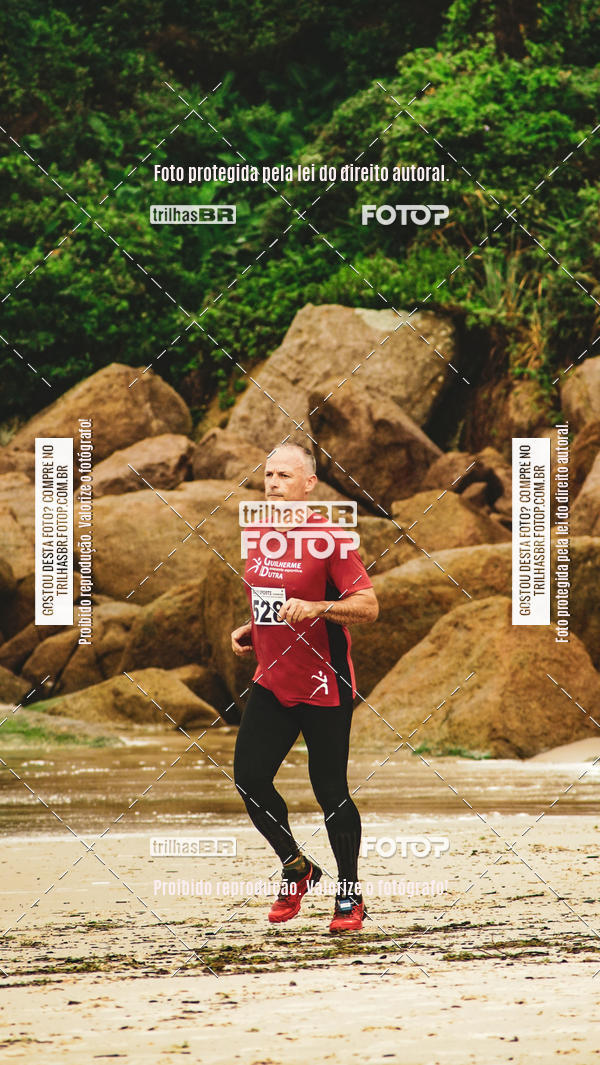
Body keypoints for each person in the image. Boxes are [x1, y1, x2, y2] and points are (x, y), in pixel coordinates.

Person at [231, 443, 378, 933]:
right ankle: (298, 868)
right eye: (268, 475)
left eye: (284, 476)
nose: (273, 483)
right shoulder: (261, 534)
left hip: (324, 683)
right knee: (250, 780)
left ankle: (350, 896)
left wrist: (319, 607)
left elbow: (368, 606)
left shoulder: (329, 539)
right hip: (272, 679)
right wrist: (252, 629)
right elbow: (272, 598)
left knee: (329, 789)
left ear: (308, 484)